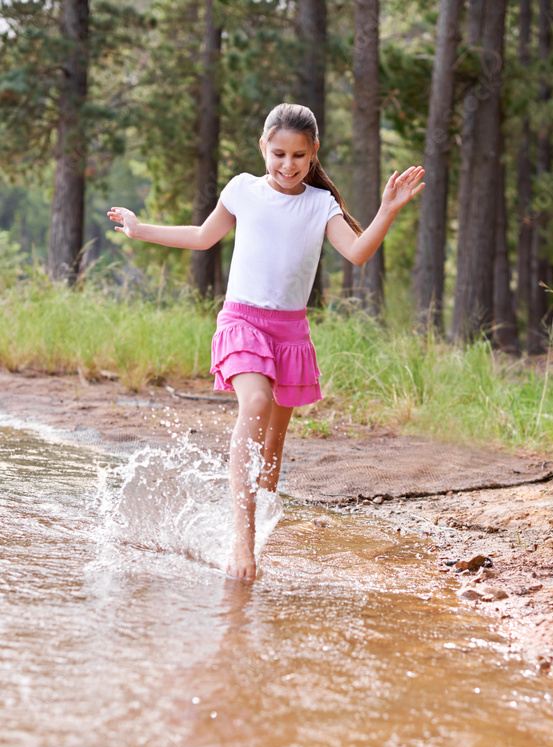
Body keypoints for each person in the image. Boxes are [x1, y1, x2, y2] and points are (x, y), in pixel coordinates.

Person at [108, 103, 424, 582]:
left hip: (290, 333)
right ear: (263, 147)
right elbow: (200, 236)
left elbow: (359, 253)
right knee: (253, 403)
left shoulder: (320, 205)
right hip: (243, 321)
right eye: (279, 153)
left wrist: (386, 211)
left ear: (313, 152)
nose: (288, 164)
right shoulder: (242, 190)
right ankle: (240, 542)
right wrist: (139, 228)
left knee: (272, 453)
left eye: (299, 155)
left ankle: (253, 542)